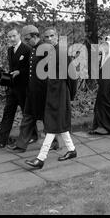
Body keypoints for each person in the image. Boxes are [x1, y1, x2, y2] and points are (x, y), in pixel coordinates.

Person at [25, 28, 78, 169]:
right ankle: (72, 150)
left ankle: (41, 158)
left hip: (60, 93)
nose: (49, 38)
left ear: (57, 37)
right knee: (58, 123)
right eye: (46, 36)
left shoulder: (61, 52)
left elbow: (73, 76)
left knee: (52, 125)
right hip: (51, 92)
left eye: (52, 36)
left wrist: (71, 95)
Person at [7, 25, 58, 153]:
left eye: (27, 39)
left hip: (43, 91)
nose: (26, 42)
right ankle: (21, 145)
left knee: (46, 119)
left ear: (35, 36)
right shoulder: (34, 48)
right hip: (32, 91)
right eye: (24, 39)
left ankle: (54, 142)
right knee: (27, 116)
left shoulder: (44, 48)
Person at [0, 28, 30, 148]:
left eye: (14, 36)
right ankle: (1, 140)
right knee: (7, 113)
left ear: (19, 35)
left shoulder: (27, 49)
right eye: (9, 37)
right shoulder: (10, 50)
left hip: (23, 89)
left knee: (27, 114)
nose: (12, 39)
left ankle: (33, 135)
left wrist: (20, 72)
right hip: (12, 88)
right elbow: (12, 68)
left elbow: (31, 69)